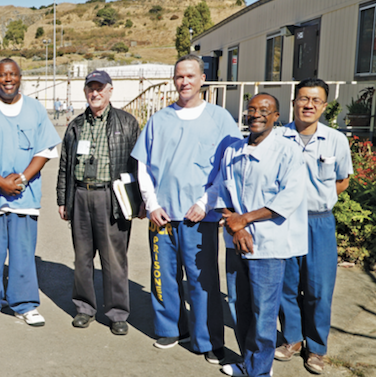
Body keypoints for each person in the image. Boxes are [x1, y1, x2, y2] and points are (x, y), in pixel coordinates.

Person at [131, 54, 241, 364]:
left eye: (190, 76)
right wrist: (151, 204)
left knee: (202, 280)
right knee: (163, 275)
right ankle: (170, 327)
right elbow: (143, 166)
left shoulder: (220, 119)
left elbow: (228, 167)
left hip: (199, 215)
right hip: (163, 216)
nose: (184, 82)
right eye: (179, 76)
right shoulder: (159, 119)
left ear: (202, 79)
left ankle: (208, 339)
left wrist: (206, 202)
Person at [207, 93, 307, 377]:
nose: (256, 114)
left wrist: (244, 220)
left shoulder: (288, 151)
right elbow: (220, 191)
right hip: (236, 241)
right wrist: (235, 225)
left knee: (264, 311)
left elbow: (290, 197)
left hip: (268, 245)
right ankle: (249, 363)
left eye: (264, 110)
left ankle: (260, 371)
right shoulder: (233, 151)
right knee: (239, 305)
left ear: (276, 117)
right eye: (251, 109)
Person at [0, 59, 61, 329]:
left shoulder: (35, 109)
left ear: (20, 77)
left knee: (22, 254)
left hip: (24, 196)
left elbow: (44, 151)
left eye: (12, 75)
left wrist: (20, 179)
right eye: (2, 75)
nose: (8, 79)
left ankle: (25, 305)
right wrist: (0, 182)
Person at [276, 78, 353, 375]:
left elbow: (343, 179)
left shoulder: (335, 140)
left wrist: (324, 199)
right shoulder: (279, 137)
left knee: (320, 287)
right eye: (303, 99)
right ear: (294, 101)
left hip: (318, 221)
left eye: (315, 101)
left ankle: (316, 347)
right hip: (284, 220)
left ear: (323, 105)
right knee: (287, 284)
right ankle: (293, 339)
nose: (308, 105)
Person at [56, 70, 139, 335]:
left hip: (111, 196)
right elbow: (65, 165)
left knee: (114, 259)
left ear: (110, 90)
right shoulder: (76, 125)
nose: (95, 93)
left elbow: (139, 167)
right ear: (85, 93)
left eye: (100, 88)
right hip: (81, 195)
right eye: (90, 88)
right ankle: (84, 308)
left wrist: (138, 201)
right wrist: (63, 199)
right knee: (82, 257)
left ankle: (117, 313)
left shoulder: (127, 123)